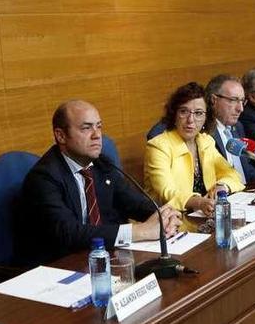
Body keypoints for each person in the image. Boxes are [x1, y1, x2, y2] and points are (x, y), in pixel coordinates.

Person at [16, 100, 180, 265]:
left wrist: (164, 217)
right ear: (61, 135)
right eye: (86, 128)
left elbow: (134, 203)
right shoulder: (44, 177)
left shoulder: (102, 165)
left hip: (105, 258)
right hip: (61, 267)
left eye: (99, 126)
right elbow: (70, 233)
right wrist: (139, 232)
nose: (97, 135)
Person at [145, 82, 245, 216]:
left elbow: (232, 175)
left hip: (203, 216)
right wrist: (198, 202)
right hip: (167, 220)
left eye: (198, 113)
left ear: (206, 117)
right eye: (183, 111)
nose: (190, 120)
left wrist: (222, 186)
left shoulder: (205, 141)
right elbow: (166, 193)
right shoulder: (158, 146)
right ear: (174, 114)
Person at [205, 74, 255, 186]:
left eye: (242, 101)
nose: (240, 109)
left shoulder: (238, 127)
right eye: (233, 100)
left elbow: (245, 167)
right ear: (214, 100)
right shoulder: (204, 132)